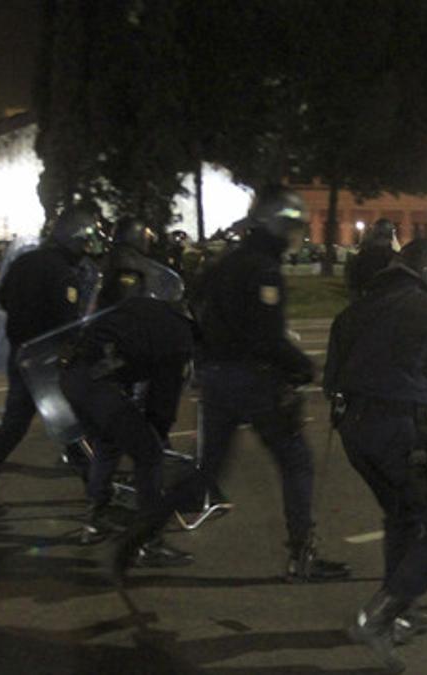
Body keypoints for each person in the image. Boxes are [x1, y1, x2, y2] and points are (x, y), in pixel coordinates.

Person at [112, 184, 349, 584]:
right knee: (296, 461)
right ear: (277, 225)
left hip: (217, 378)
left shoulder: (225, 262)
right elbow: (267, 338)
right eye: (292, 227)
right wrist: (306, 370)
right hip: (252, 379)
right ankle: (301, 555)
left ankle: (142, 531)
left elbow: (196, 315)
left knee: (207, 473)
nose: (296, 236)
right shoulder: (263, 269)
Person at [324, 238, 427, 672]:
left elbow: (331, 381)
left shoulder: (353, 311)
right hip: (403, 431)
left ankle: (402, 611)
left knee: (403, 514)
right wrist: (424, 396)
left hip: (354, 433)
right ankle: (380, 616)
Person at [0, 204, 102, 517]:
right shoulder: (63, 272)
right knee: (71, 425)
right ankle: (98, 497)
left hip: (21, 353)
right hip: (49, 358)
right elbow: (67, 321)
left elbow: (3, 299)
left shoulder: (25, 261)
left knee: (13, 424)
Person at [63, 297, 195, 566]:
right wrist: (155, 433)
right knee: (149, 455)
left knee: (107, 443)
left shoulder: (148, 308)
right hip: (98, 386)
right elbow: (162, 402)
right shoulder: (179, 338)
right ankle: (149, 542)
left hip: (72, 378)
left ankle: (96, 518)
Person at [96, 217, 161, 309]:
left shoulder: (113, 254)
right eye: (146, 235)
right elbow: (128, 298)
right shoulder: (130, 262)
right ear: (136, 235)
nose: (148, 240)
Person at [346, 218, 398, 298]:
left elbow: (353, 288)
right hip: (388, 303)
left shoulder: (361, 258)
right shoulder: (397, 258)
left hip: (369, 302)